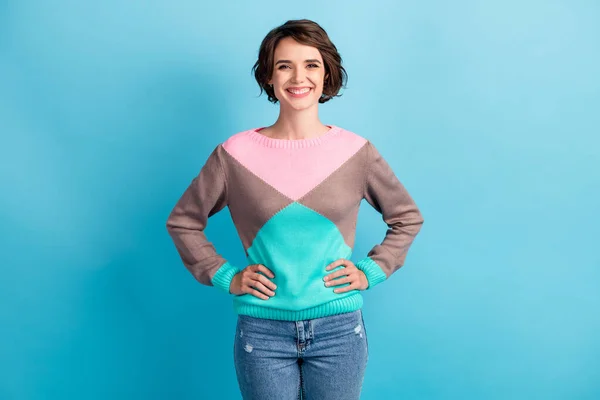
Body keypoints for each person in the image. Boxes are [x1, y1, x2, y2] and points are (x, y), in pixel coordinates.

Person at [166, 19, 424, 400]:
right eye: (284, 65)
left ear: (327, 74)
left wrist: (371, 271)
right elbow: (183, 221)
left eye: (311, 64)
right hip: (261, 332)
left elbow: (406, 217)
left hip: (339, 331)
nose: (298, 76)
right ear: (269, 76)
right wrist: (226, 276)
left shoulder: (356, 152)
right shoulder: (234, 155)